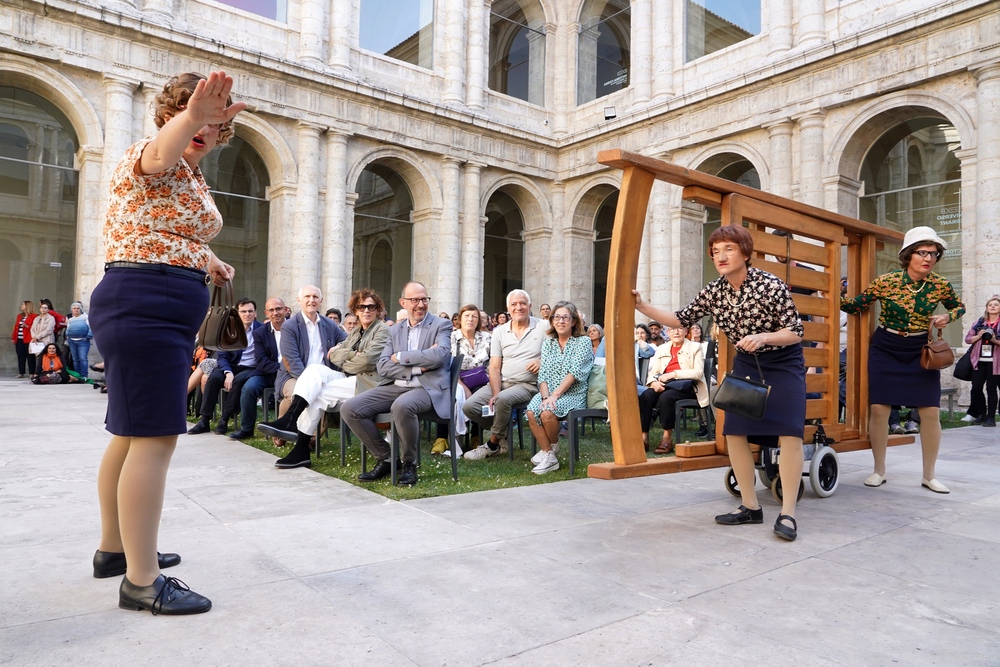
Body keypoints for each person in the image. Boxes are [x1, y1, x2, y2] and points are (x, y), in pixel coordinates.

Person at [88, 70, 245, 615]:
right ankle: (141, 580)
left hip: (152, 298)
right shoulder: (155, 152)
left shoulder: (191, 180)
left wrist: (210, 260)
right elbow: (159, 154)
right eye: (188, 110)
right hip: (144, 301)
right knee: (155, 437)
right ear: (171, 114)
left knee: (131, 434)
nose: (203, 125)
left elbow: (164, 232)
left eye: (213, 118)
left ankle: (115, 550)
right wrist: (193, 118)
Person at [634, 225, 807, 542]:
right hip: (747, 363)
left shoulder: (770, 285)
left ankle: (789, 513)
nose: (720, 256)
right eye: (715, 251)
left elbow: (796, 331)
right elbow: (682, 318)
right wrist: (643, 306)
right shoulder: (714, 291)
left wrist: (764, 336)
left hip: (784, 363)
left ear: (744, 251)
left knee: (790, 432)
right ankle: (750, 507)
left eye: (728, 248)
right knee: (735, 431)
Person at [841, 226, 965, 494]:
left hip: (919, 350)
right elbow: (856, 305)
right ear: (908, 255)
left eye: (934, 254)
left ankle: (929, 475)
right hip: (886, 347)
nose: (929, 258)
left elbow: (959, 306)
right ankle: (879, 470)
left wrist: (947, 317)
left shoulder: (940, 285)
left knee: (930, 411)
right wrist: (826, 293)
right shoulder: (886, 281)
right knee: (879, 409)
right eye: (923, 252)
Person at [258, 289, 391, 468]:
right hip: (348, 376)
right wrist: (351, 356)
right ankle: (290, 422)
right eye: (362, 307)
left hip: (367, 382)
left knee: (318, 394)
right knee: (314, 370)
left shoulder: (382, 330)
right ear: (356, 310)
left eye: (371, 307)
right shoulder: (356, 331)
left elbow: (367, 360)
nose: (366, 310)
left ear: (378, 309)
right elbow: (333, 357)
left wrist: (346, 357)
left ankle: (300, 447)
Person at [341, 282, 452, 486]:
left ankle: (409, 463)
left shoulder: (441, 325)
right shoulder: (394, 330)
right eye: (415, 300)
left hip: (427, 388)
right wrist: (419, 366)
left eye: (424, 299)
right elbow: (383, 366)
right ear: (403, 303)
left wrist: (400, 356)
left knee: (402, 406)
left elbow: (440, 355)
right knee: (350, 408)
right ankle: (387, 458)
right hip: (395, 385)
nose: (420, 304)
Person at [463, 289, 547, 460]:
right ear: (508, 308)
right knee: (469, 407)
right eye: (514, 304)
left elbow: (557, 352)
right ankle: (503, 433)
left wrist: (541, 361)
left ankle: (492, 444)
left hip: (527, 385)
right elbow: (494, 367)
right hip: (501, 383)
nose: (519, 307)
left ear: (530, 306)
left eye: (523, 303)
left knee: (503, 400)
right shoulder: (500, 331)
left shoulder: (543, 326)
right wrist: (495, 392)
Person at [525, 302, 594, 474]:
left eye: (565, 317)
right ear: (552, 321)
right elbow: (543, 375)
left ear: (573, 321)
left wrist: (554, 396)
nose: (561, 321)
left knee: (547, 413)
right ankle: (550, 453)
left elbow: (574, 372)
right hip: (549, 393)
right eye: (557, 317)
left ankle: (548, 452)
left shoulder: (583, 342)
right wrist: (544, 396)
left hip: (573, 393)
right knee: (532, 411)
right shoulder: (549, 344)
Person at [273, 285, 347, 442]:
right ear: (299, 300)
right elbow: (291, 360)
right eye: (307, 297)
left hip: (324, 376)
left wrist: (339, 346)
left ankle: (309, 438)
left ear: (321, 301)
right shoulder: (290, 326)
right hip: (293, 374)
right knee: (298, 393)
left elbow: (347, 340)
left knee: (325, 396)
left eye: (315, 297)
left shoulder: (329, 324)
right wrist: (308, 382)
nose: (311, 300)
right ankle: (282, 426)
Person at [186, 298, 263, 435]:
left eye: (250, 311)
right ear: (237, 313)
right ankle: (204, 420)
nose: (247, 314)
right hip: (231, 365)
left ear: (255, 313)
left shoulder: (261, 330)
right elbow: (222, 356)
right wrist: (228, 372)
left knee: (239, 381)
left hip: (250, 368)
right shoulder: (229, 330)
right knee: (213, 378)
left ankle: (224, 419)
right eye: (243, 311)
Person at [430, 304, 491, 454]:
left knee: (481, 395)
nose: (470, 319)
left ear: (479, 320)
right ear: (459, 319)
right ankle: (442, 438)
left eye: (474, 316)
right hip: (455, 378)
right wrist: (463, 387)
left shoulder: (487, 338)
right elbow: (446, 366)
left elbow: (493, 363)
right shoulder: (451, 337)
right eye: (467, 316)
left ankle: (476, 436)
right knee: (449, 394)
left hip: (482, 379)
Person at [639, 324, 709, 453]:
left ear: (685, 331)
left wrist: (673, 374)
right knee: (646, 396)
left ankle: (667, 438)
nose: (676, 332)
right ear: (668, 332)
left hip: (688, 387)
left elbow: (698, 373)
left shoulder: (695, 347)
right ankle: (643, 437)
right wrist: (653, 382)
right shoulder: (662, 348)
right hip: (665, 385)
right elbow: (653, 371)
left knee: (667, 397)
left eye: (680, 329)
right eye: (672, 329)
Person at [226, 297, 286, 440]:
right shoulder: (260, 333)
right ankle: (246, 429)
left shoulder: (294, 328)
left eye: (278, 309)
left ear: (285, 310)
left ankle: (288, 428)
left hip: (291, 373)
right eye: (271, 310)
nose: (275, 313)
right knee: (249, 388)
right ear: (266, 313)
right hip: (267, 373)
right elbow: (261, 361)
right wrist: (282, 368)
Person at [964, 296, 1000, 427]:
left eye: (996, 304)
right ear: (986, 307)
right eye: (990, 304)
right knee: (976, 388)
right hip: (978, 360)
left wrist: (995, 340)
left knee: (991, 389)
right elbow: (968, 339)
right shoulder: (979, 323)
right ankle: (981, 414)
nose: (993, 306)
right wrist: (979, 335)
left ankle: (991, 418)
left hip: (995, 362)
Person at [65, 302, 93, 379]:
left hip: (83, 341)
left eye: (78, 308)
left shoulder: (85, 318)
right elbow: (68, 329)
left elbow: (91, 327)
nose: (76, 310)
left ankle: (84, 376)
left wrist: (88, 337)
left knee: (83, 358)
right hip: (72, 341)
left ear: (80, 309)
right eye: (74, 308)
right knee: (75, 359)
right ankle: (77, 376)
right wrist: (67, 336)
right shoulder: (70, 319)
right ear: (72, 310)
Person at [29, 303, 57, 379]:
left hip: (46, 340)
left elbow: (49, 330)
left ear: (48, 309)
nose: (43, 309)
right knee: (38, 357)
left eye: (45, 308)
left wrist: (38, 336)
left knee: (46, 357)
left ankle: (45, 374)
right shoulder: (37, 318)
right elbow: (32, 329)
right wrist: (34, 337)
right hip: (36, 341)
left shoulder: (51, 318)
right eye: (42, 307)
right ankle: (37, 374)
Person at [11, 300, 38, 378]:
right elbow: (16, 327)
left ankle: (31, 373)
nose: (21, 306)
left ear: (27, 306)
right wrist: (13, 338)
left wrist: (27, 326)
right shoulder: (20, 316)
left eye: (22, 305)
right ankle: (21, 372)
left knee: (31, 357)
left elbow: (35, 328)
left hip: (29, 339)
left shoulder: (34, 316)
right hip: (19, 339)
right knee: (21, 356)